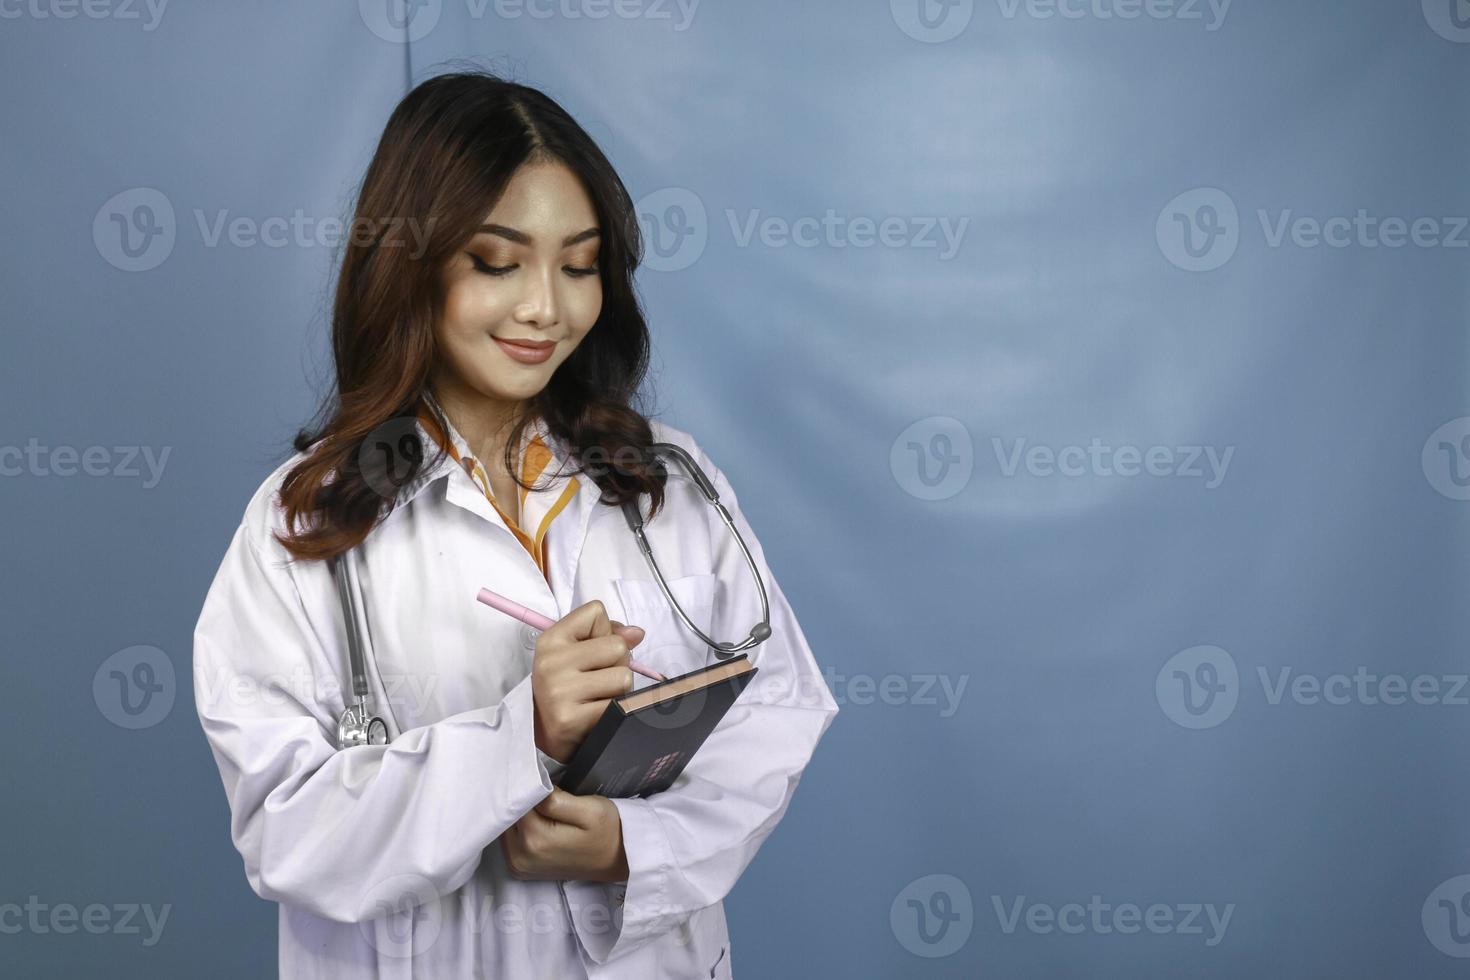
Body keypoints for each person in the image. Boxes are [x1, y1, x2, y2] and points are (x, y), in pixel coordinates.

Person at [191, 69, 839, 978]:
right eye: (497, 262)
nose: (546, 307)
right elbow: (287, 834)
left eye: (579, 266)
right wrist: (521, 738)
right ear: (412, 264)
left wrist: (630, 845)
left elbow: (778, 712)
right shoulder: (305, 524)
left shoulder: (669, 482)